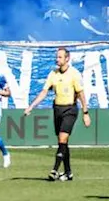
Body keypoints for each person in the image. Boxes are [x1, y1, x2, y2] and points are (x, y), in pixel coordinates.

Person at [25, 47, 91, 181]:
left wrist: (85, 112)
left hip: (70, 110)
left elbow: (81, 94)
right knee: (63, 143)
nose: (57, 59)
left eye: (60, 57)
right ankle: (68, 172)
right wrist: (31, 106)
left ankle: (54, 170)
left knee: (62, 139)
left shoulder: (74, 74)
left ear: (67, 58)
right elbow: (44, 92)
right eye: (57, 57)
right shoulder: (53, 74)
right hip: (57, 109)